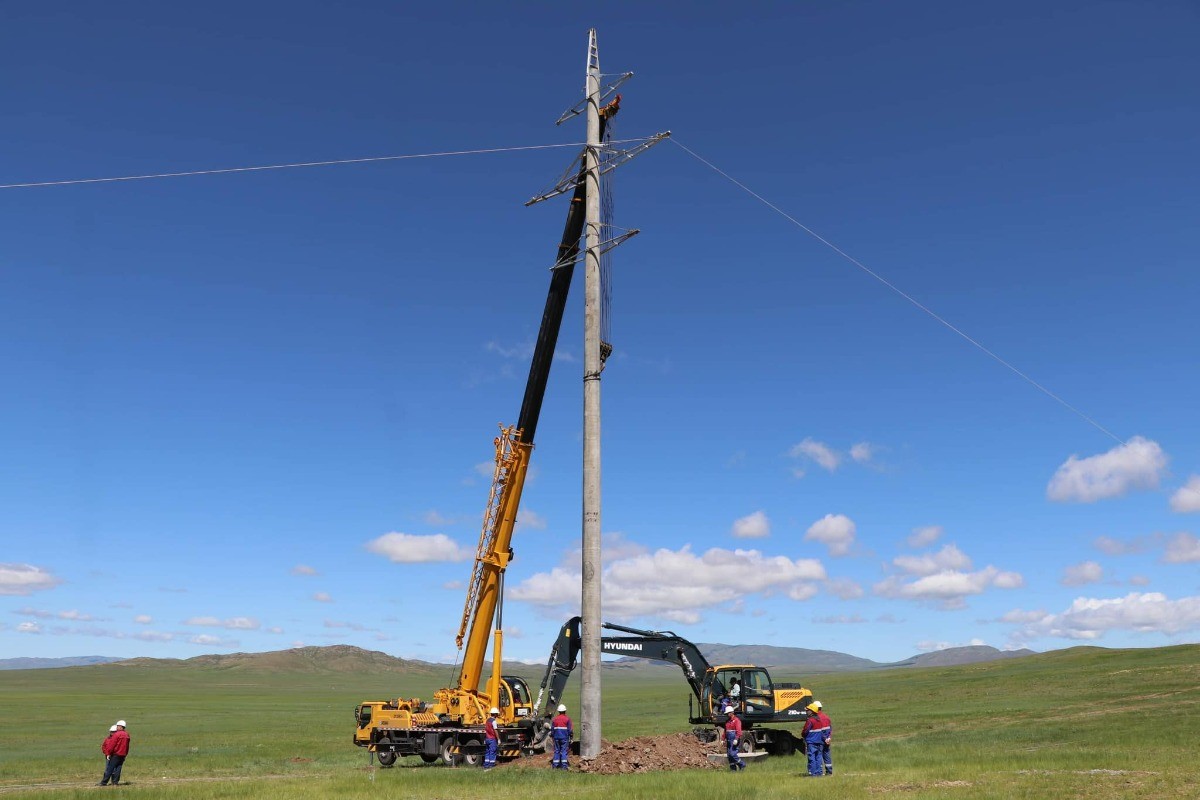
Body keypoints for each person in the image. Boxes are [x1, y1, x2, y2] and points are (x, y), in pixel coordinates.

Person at [802, 701, 832, 777]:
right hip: (821, 741)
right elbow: (827, 729)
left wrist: (804, 736)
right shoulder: (824, 718)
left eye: (808, 710)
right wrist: (827, 738)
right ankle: (821, 773)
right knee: (820, 757)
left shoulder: (811, 720)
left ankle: (813, 773)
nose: (807, 711)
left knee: (812, 758)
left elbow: (805, 731)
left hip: (813, 741)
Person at [98, 720, 130, 786]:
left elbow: (112, 745)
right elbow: (127, 746)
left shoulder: (116, 734)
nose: (117, 727)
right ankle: (115, 782)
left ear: (121, 726)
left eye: (118, 726)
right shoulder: (127, 735)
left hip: (116, 754)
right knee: (118, 768)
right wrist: (125, 754)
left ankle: (104, 782)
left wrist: (109, 753)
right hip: (123, 754)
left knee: (110, 768)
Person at [722, 705, 746, 771]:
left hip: (734, 740)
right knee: (729, 755)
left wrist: (736, 739)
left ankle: (742, 764)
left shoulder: (737, 721)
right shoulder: (727, 722)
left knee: (733, 754)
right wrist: (723, 739)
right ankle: (733, 770)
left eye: (727, 713)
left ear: (731, 713)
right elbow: (725, 731)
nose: (727, 715)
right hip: (729, 740)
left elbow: (739, 731)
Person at [550, 704, 573, 770]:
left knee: (557, 751)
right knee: (563, 751)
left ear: (558, 711)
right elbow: (570, 730)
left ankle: (555, 766)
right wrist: (571, 737)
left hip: (556, 738)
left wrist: (552, 735)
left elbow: (552, 730)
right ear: (565, 711)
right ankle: (564, 767)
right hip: (564, 738)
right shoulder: (567, 719)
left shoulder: (555, 719)